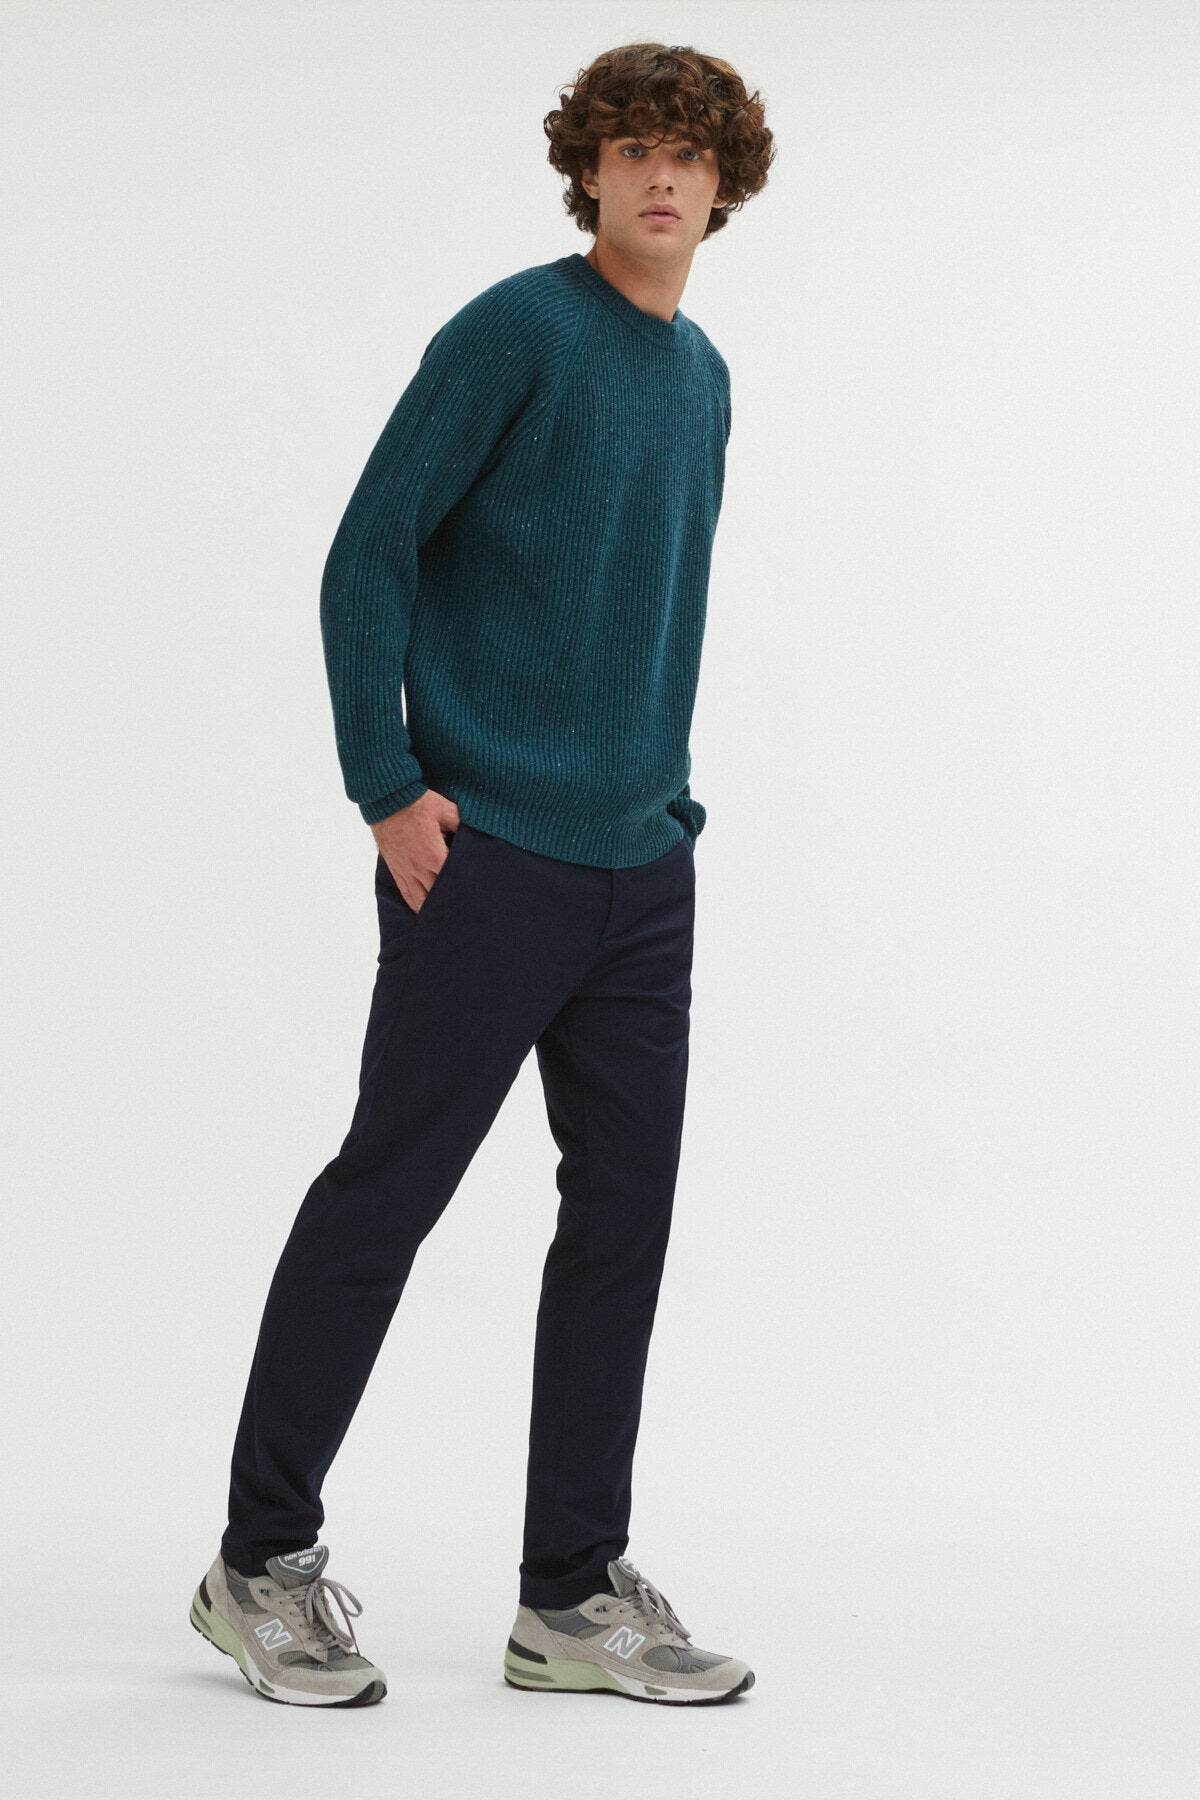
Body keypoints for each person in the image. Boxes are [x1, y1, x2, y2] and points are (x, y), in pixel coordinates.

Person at [189, 40, 775, 1709]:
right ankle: (258, 1565)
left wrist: (665, 810)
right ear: (589, 171)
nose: (660, 178)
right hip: (490, 855)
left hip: (642, 870)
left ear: (724, 188)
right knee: (388, 1195)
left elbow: (652, 606)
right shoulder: (518, 330)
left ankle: (570, 1594)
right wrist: (387, 786)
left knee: (622, 1226)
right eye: (632, 149)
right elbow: (368, 547)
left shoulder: (705, 376)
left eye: (689, 156)